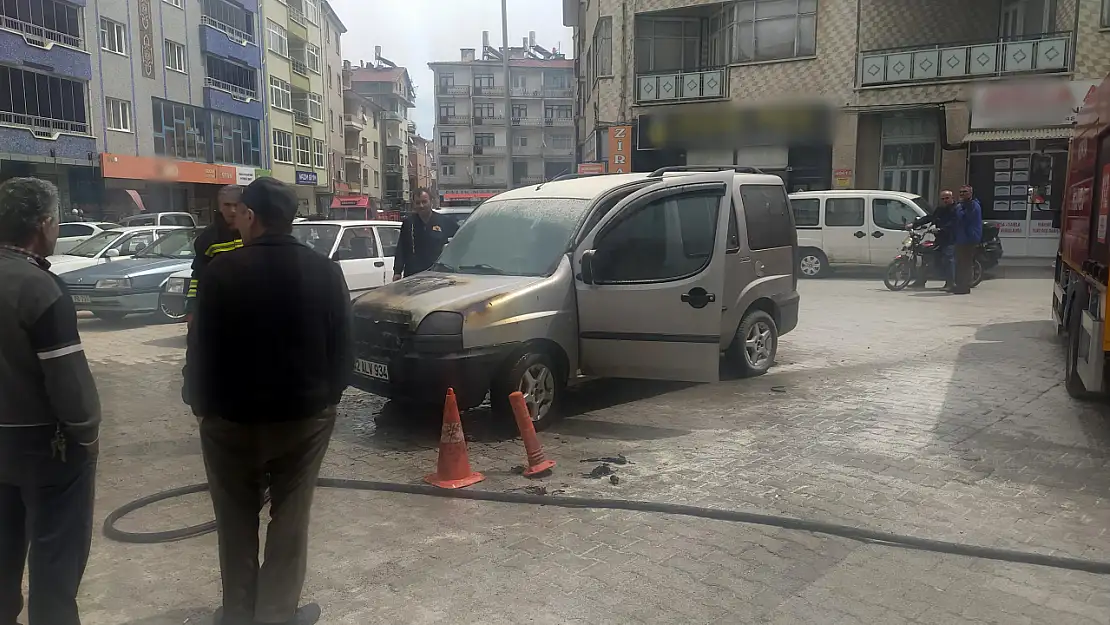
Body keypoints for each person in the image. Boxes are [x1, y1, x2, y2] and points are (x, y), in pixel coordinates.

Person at [183, 177, 352, 625]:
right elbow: (345, 351)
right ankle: (276, 614)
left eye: (240, 213)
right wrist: (326, 400)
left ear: (252, 217)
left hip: (230, 423)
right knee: (290, 520)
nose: (235, 219)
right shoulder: (325, 271)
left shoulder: (221, 272)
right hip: (304, 421)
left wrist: (201, 404)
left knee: (235, 523)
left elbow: (199, 349)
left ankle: (238, 614)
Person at [0, 178, 100, 625]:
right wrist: (86, 434)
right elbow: (70, 386)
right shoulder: (41, 289)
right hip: (46, 450)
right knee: (55, 564)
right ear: (43, 225)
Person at [186, 185, 244, 313]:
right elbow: (198, 276)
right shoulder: (208, 238)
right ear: (220, 206)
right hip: (219, 308)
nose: (232, 210)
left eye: (236, 205)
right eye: (227, 205)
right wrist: (192, 309)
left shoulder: (252, 231)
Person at [392, 188, 452, 280]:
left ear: (431, 201)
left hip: (437, 274)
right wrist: (397, 271)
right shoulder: (409, 223)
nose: (421, 205)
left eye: (424, 202)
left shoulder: (443, 221)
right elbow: (401, 248)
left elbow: (458, 242)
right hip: (413, 274)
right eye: (418, 203)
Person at [907, 189, 957, 289]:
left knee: (948, 259)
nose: (945, 200)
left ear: (952, 198)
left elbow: (954, 223)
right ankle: (920, 281)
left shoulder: (956, 209)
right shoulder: (940, 209)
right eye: (943, 199)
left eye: (947, 198)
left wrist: (941, 229)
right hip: (939, 239)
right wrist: (914, 224)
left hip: (951, 239)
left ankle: (951, 283)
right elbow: (930, 218)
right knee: (926, 257)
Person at [952, 185, 983, 295]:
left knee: (966, 263)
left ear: (970, 193)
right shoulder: (960, 206)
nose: (962, 194)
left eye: (965, 192)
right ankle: (959, 284)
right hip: (960, 238)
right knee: (960, 263)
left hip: (969, 238)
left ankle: (965, 286)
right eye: (960, 192)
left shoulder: (973, 205)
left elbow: (967, 218)